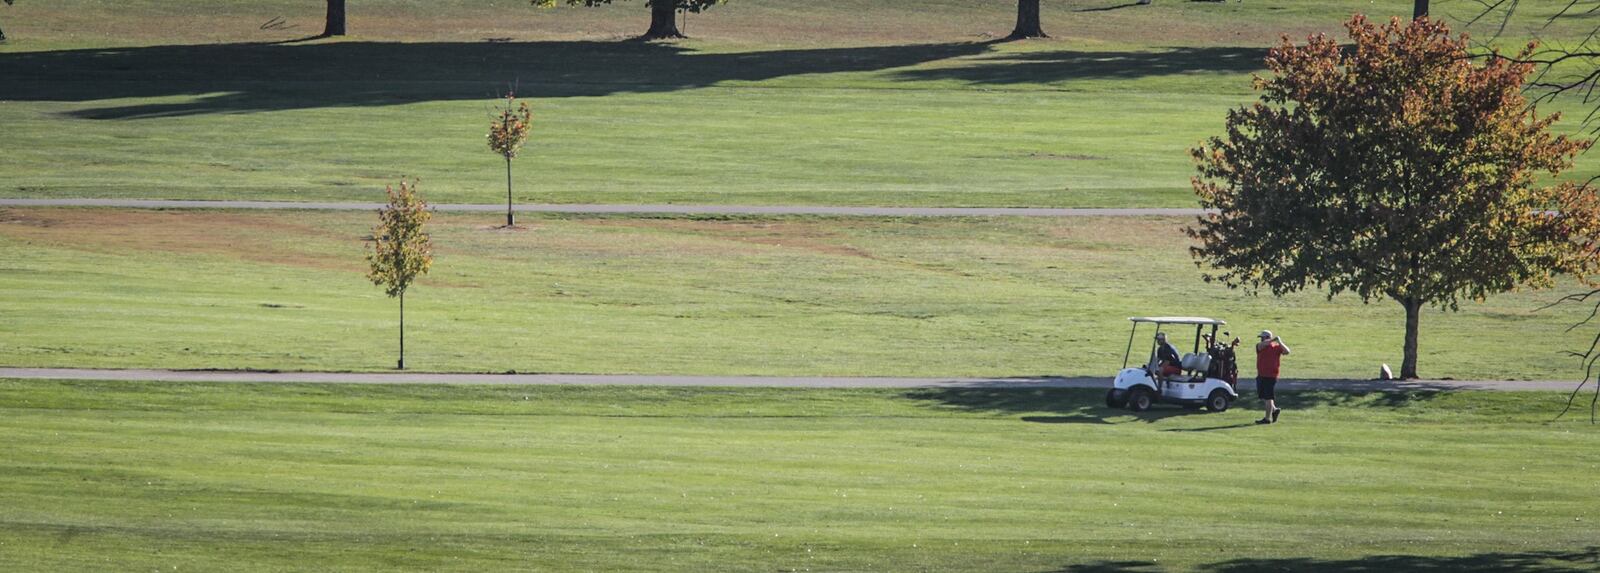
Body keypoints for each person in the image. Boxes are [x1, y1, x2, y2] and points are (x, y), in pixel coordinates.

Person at [1255, 330, 1291, 424]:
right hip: (1261, 374)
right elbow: (1261, 345)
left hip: (1270, 376)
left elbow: (1287, 351)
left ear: (1266, 337)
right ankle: (1274, 410)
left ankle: (1267, 419)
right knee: (1262, 396)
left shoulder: (1276, 347)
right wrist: (1273, 340)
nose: (1261, 339)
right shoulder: (1260, 346)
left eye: (1262, 337)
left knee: (1268, 398)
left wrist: (1280, 342)